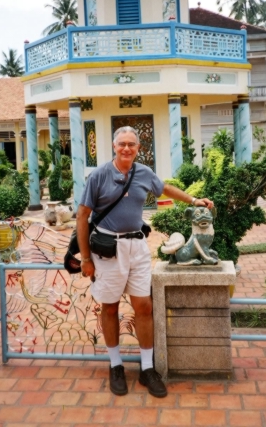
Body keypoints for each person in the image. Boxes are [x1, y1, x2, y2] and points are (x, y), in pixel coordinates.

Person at [77, 126, 214, 398]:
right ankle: (115, 365)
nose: (126, 148)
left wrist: (194, 199)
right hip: (107, 248)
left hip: (137, 246)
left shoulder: (144, 173)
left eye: (131, 144)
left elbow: (164, 189)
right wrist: (85, 258)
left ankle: (147, 368)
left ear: (138, 148)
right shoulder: (99, 176)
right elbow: (82, 217)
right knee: (110, 307)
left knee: (143, 305)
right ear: (114, 146)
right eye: (121, 144)